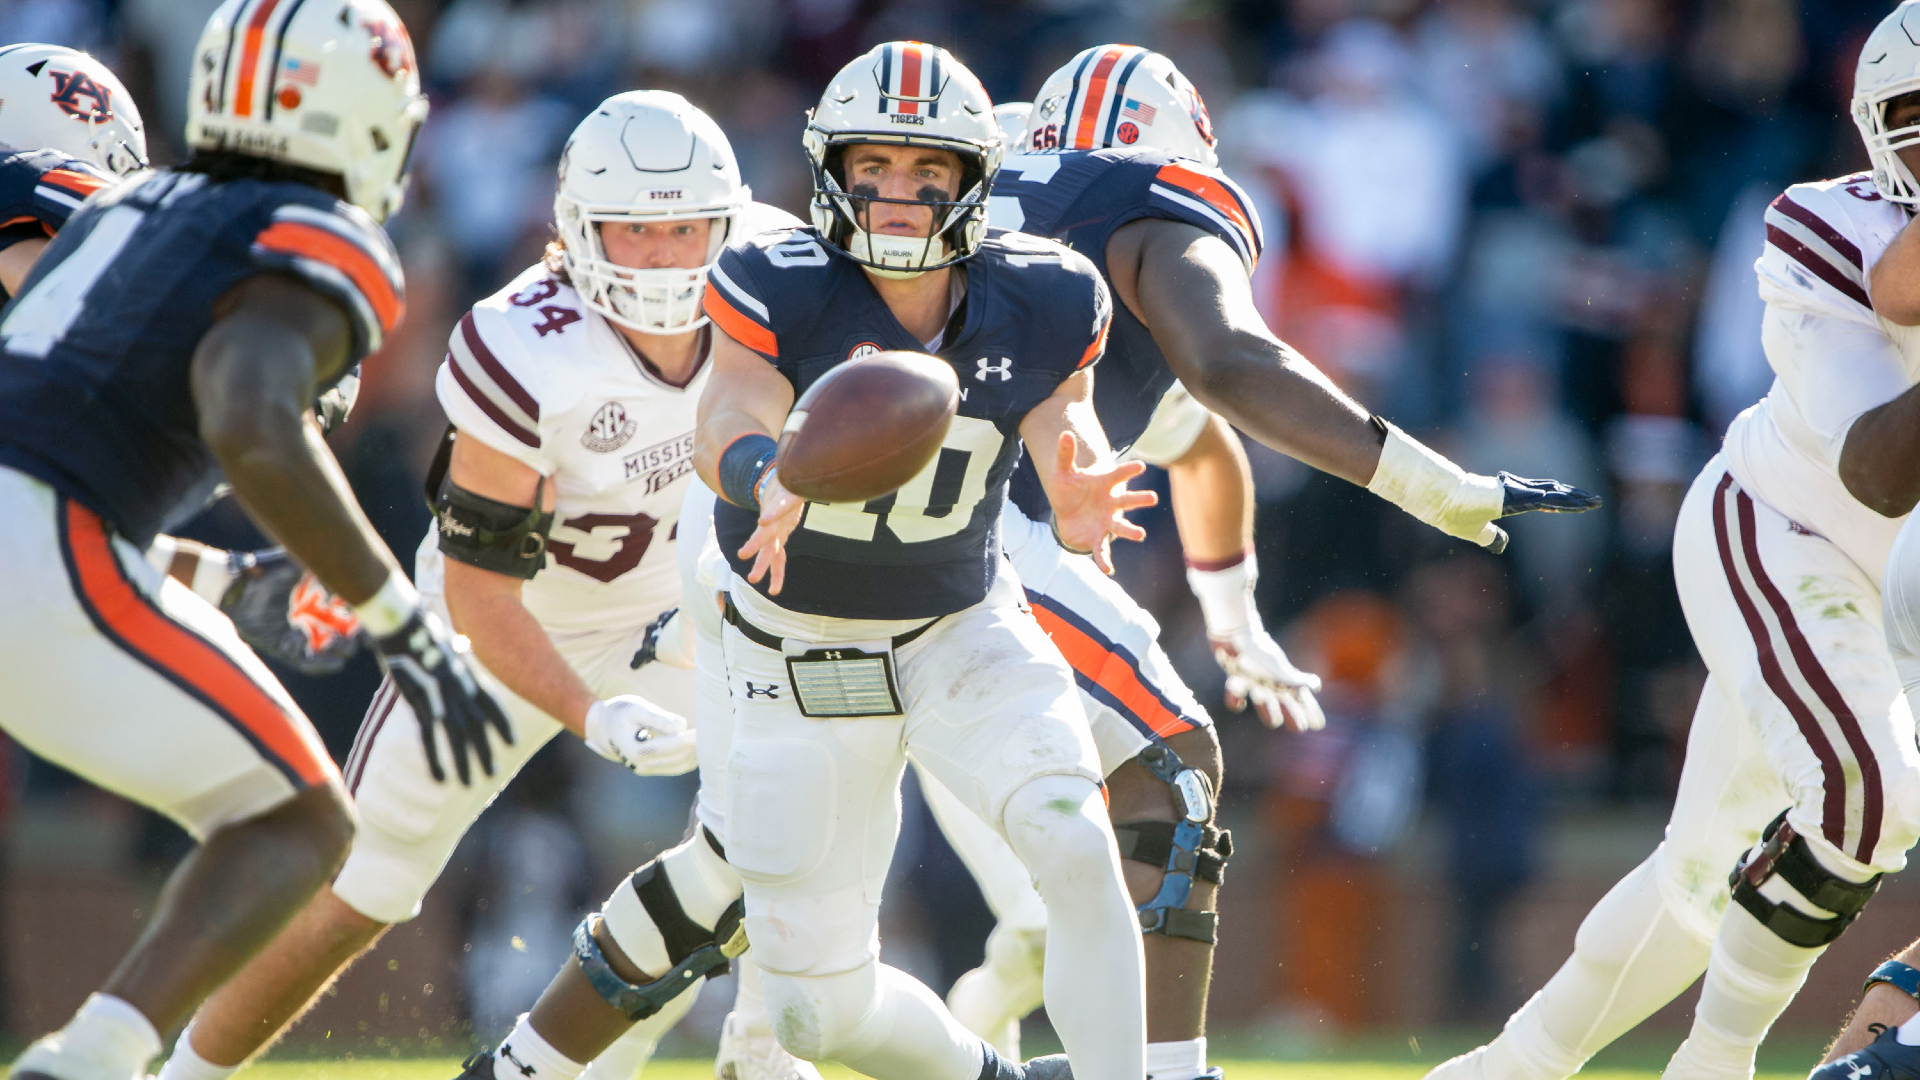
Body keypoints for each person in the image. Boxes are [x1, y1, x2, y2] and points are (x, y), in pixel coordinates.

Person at [453, 40, 1153, 1080]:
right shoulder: (776, 278)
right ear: (831, 170)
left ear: (974, 181)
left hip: (957, 618)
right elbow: (728, 412)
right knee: (819, 1014)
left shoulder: (1044, 294)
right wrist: (762, 473)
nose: (899, 195)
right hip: (792, 635)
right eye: (873, 168)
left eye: (928, 172)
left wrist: (1079, 480)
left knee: (1072, 834)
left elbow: (1066, 421)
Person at [924, 44, 1599, 1080]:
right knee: (1175, 770)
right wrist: (1440, 487)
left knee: (871, 907)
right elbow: (1231, 365)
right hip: (974, 535)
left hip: (849, 530)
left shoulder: (995, 193)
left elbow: (1200, 443)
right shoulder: (1150, 203)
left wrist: (1233, 618)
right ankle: (1167, 1071)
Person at [152, 91, 811, 1080]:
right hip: (505, 625)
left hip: (678, 607)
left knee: (775, 821)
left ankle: (738, 1052)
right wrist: (591, 717)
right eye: (637, 231)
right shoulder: (524, 347)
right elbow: (481, 596)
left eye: (687, 227)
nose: (669, 256)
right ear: (578, 231)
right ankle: (182, 1073)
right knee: (363, 881)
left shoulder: (778, 278)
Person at [0, 0, 517, 1077]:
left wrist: (223, 579)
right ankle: (92, 1061)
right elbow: (245, 418)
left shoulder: (124, 218)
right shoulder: (306, 228)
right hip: (40, 538)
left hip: (46, 535)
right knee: (298, 822)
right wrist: (403, 629)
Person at [1428, 6, 1920, 1080]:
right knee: (1871, 796)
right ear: (1875, 125)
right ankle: (1713, 1061)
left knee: (1700, 879)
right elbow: (1878, 469)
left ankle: (1507, 1068)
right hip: (1784, 533)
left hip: (1898, 600)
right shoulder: (1824, 220)